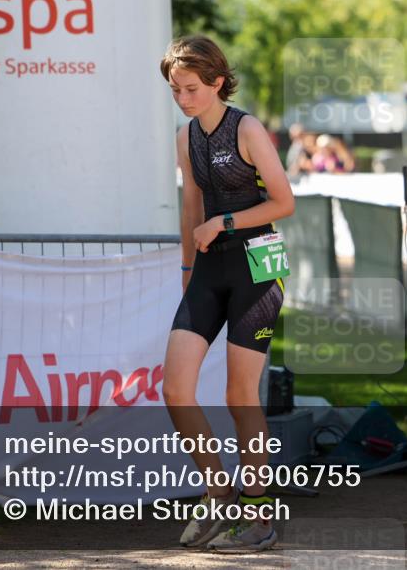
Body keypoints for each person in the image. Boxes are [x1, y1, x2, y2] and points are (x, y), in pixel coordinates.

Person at [160, 35, 295, 553]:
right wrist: (187, 268)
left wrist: (226, 221)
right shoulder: (185, 137)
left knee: (239, 395)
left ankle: (259, 517)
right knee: (175, 390)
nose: (184, 98)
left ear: (217, 81)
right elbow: (191, 207)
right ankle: (221, 497)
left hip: (260, 267)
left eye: (191, 88)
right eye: (175, 90)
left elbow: (284, 203)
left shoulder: (248, 128)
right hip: (209, 268)